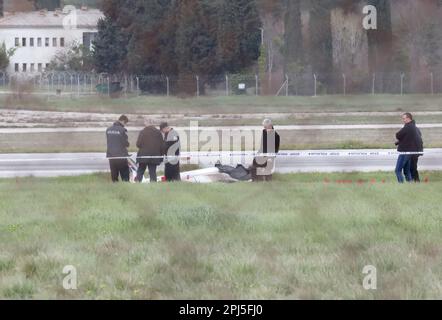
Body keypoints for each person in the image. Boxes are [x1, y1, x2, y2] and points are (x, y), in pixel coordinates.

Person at [395, 113, 420, 183]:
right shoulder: (414, 127)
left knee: (398, 170)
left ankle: (401, 185)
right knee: (406, 171)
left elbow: (398, 135)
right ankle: (410, 185)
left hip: (404, 151)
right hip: (410, 152)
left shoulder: (407, 127)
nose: (403, 120)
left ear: (408, 118)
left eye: (404, 118)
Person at [106, 115, 130, 182]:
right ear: (122, 121)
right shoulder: (122, 130)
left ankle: (115, 188)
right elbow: (125, 143)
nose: (125, 125)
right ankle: (126, 188)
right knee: (125, 175)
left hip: (111, 156)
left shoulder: (108, 129)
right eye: (125, 123)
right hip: (121, 156)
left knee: (114, 176)